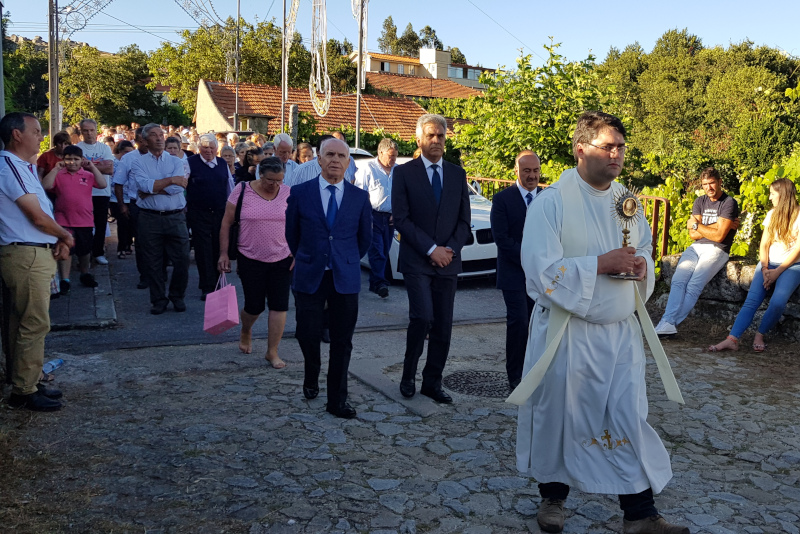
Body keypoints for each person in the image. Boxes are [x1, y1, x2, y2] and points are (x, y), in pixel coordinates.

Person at [516, 111, 688, 534]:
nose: (617, 154)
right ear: (580, 148)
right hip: (567, 335)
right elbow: (540, 270)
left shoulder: (626, 201)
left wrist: (642, 267)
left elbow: (645, 247)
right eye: (607, 146)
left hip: (620, 334)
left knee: (627, 416)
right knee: (561, 416)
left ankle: (640, 515)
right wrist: (599, 264)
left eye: (621, 147)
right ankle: (552, 500)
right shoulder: (551, 202)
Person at [285, 138, 372, 419]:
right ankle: (312, 373)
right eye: (330, 154)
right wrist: (312, 255)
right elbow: (292, 235)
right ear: (318, 160)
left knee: (342, 341)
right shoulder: (300, 193)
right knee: (306, 333)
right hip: (310, 273)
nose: (335, 160)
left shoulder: (359, 197)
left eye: (341, 156)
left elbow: (364, 240)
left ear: (348, 162)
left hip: (344, 277)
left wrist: (342, 259)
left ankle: (337, 400)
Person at [392, 114, 471, 404]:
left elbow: (464, 221)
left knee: (443, 325)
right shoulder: (404, 173)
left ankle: (432, 382)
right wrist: (430, 249)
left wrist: (449, 249)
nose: (436, 140)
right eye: (430, 136)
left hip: (448, 262)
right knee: (422, 317)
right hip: (417, 260)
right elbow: (401, 218)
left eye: (440, 136)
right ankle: (408, 375)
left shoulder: (456, 174)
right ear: (419, 140)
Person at [0, 112, 74, 411]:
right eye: (36, 130)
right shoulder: (10, 165)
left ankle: (26, 380)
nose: (41, 136)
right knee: (34, 322)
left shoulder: (22, 167)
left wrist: (55, 238)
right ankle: (24, 390)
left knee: (25, 321)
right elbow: (36, 215)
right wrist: (65, 236)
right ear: (17, 134)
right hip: (25, 252)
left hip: (32, 249)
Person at [709, 178, 800, 353]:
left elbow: (797, 250)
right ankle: (732, 339)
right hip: (768, 264)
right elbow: (764, 244)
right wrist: (766, 269)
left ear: (783, 195)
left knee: (778, 302)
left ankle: (760, 334)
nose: (770, 197)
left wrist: (777, 272)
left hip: (792, 266)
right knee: (751, 301)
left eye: (773, 194)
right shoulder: (772, 214)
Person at [219, 157, 293, 369]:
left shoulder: (288, 193)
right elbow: (226, 222)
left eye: (279, 180)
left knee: (279, 306)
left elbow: (299, 224)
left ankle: (272, 351)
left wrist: (297, 252)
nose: (275, 185)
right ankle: (246, 329)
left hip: (282, 257)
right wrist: (223, 253)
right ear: (260, 174)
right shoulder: (242, 190)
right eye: (271, 180)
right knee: (254, 306)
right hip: (250, 256)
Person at [654, 167, 739, 335]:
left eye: (712, 183)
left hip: (717, 250)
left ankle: (669, 323)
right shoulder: (699, 201)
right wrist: (718, 226)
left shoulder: (729, 202)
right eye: (705, 184)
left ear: (720, 182)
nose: (709, 187)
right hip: (696, 247)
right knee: (678, 281)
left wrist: (698, 225)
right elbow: (693, 235)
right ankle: (667, 323)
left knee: (693, 285)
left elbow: (719, 237)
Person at [490, 150, 542, 390]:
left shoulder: (549, 197)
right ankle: (515, 375)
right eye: (526, 171)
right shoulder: (502, 200)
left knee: (539, 323)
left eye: (535, 171)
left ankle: (537, 370)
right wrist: (531, 257)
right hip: (513, 273)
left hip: (543, 275)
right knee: (519, 321)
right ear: (516, 172)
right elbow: (502, 239)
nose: (531, 176)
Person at [130, 123, 190, 315]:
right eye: (154, 135)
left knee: (182, 259)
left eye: (161, 135)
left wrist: (154, 188)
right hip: (150, 218)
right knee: (153, 262)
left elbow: (178, 188)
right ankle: (158, 300)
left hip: (175, 217)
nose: (159, 138)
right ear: (145, 140)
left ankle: (177, 295)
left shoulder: (175, 161)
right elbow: (143, 185)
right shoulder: (138, 162)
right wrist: (170, 180)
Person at [41, 145, 108, 292]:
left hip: (84, 220)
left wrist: (92, 168)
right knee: (66, 249)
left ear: (82, 160)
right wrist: (56, 169)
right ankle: (65, 279)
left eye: (76, 159)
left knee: (84, 250)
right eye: (68, 159)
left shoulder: (88, 175)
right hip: (63, 219)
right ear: (63, 160)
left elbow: (103, 184)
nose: (72, 162)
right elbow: (45, 185)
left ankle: (85, 273)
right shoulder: (59, 175)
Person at [186, 134, 234, 300]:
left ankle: (218, 282)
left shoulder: (221, 163)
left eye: (211, 147)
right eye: (204, 147)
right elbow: (183, 186)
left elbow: (230, 186)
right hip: (199, 212)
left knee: (218, 247)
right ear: (199, 148)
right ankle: (207, 286)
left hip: (220, 212)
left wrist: (231, 208)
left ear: (216, 148)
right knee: (203, 249)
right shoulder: (190, 163)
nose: (208, 150)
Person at [354, 138, 398, 298]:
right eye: (390, 156)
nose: (392, 159)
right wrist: (365, 217)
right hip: (373, 215)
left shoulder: (397, 170)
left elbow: (401, 195)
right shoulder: (368, 169)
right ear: (380, 153)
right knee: (377, 251)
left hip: (390, 217)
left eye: (395, 156)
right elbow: (360, 193)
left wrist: (397, 212)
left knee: (384, 250)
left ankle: (375, 282)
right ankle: (380, 283)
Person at [112, 127, 149, 287]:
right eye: (141, 140)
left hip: (158, 205)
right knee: (141, 241)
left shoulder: (162, 156)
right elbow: (118, 183)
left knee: (157, 242)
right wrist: (122, 205)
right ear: (136, 141)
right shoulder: (128, 158)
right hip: (137, 204)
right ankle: (144, 275)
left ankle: (158, 272)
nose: (145, 143)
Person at [76, 118, 115, 266]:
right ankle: (84, 254)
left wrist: (88, 166)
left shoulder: (104, 148)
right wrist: (98, 165)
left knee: (100, 224)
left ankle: (98, 252)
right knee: (83, 226)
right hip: (83, 192)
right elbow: (76, 168)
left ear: (96, 131)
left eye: (91, 130)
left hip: (101, 192)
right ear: (81, 132)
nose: (89, 133)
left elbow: (109, 169)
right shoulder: (78, 148)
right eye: (85, 130)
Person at [109, 140, 135, 259]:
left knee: (131, 223)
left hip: (131, 197)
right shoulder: (114, 162)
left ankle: (128, 244)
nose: (128, 154)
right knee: (122, 222)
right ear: (119, 151)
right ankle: (121, 247)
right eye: (125, 152)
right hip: (116, 198)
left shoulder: (133, 161)